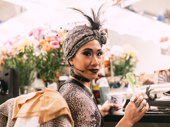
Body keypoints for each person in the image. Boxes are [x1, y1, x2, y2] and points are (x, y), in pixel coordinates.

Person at [59, 6, 149, 127]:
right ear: (71, 59)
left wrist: (98, 113)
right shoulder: (77, 96)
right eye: (87, 53)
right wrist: (128, 119)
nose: (96, 62)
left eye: (99, 53)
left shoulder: (71, 88)